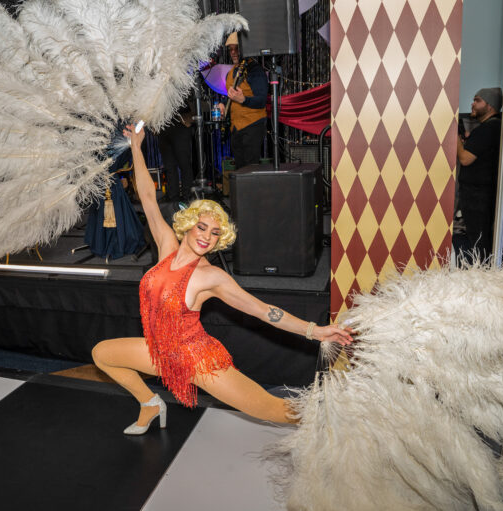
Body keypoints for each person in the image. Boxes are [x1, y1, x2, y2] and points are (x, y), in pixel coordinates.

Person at [91, 124, 353, 435]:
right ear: (189, 226)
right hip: (158, 351)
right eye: (202, 228)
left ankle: (344, 429)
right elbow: (148, 197)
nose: (207, 237)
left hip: (196, 360)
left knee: (276, 410)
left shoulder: (210, 276)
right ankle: (150, 403)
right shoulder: (166, 248)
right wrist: (136, 146)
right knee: (102, 354)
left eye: (215, 233)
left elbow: (263, 310)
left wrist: (316, 331)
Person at [456, 87, 503, 259]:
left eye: (477, 100)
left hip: (477, 195)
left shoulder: (487, 129)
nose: (473, 104)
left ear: (489, 106)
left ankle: (482, 273)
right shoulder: (496, 127)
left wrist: (456, 141)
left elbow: (465, 159)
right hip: (485, 192)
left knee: (479, 238)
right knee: (483, 237)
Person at [215, 33, 268, 170]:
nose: (233, 53)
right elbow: (230, 97)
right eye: (231, 49)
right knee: (240, 169)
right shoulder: (230, 73)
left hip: (252, 126)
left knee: (251, 170)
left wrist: (244, 100)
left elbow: (261, 100)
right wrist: (222, 104)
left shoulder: (254, 70)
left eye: (236, 49)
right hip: (236, 129)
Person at [157, 93, 194, 202]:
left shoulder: (181, 79)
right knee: (169, 166)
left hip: (181, 123)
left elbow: (188, 101)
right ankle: (173, 198)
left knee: (184, 164)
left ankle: (187, 197)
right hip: (163, 125)